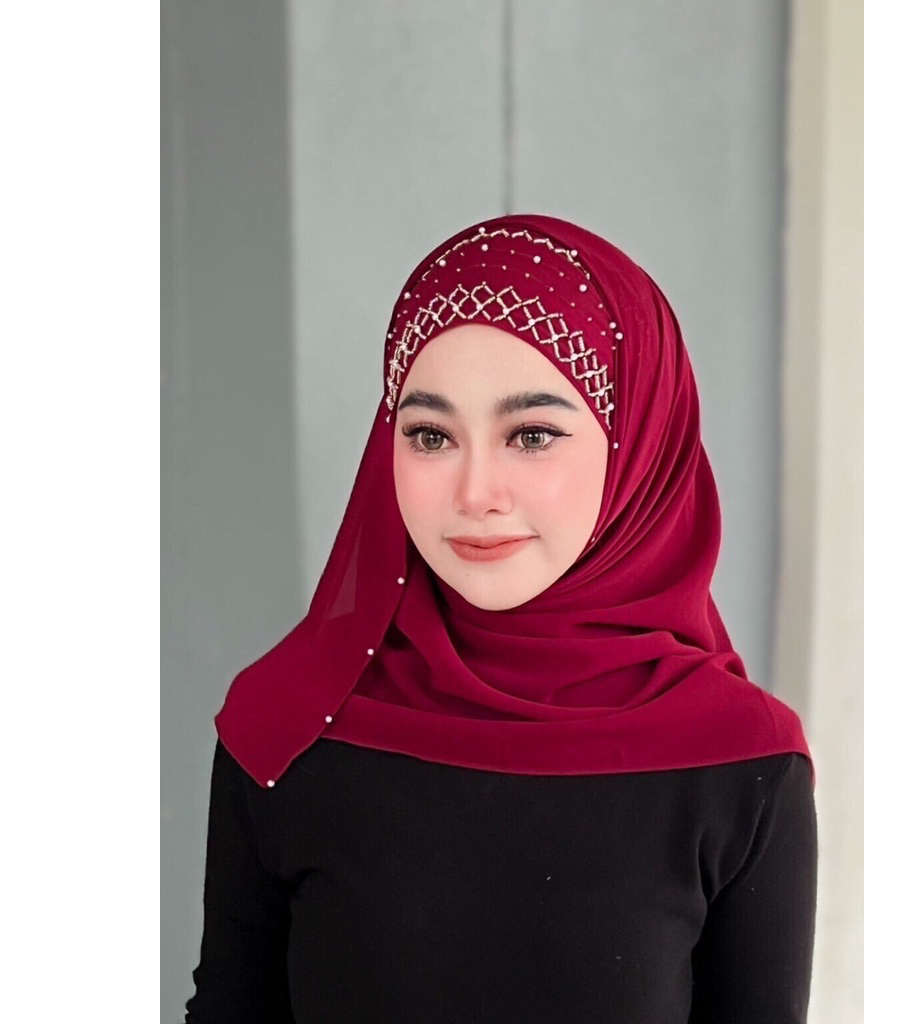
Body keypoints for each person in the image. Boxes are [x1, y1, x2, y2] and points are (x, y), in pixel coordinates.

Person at [184, 214, 817, 1024]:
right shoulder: (289, 732)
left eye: (532, 434)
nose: (475, 492)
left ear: (638, 444)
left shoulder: (742, 762)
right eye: (429, 435)